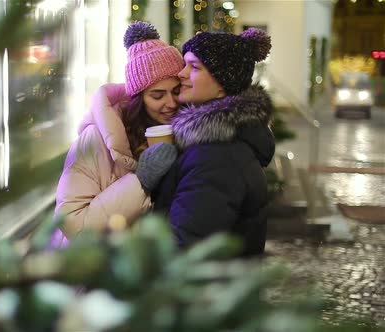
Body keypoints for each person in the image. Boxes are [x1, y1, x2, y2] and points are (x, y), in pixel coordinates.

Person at [51, 21, 185, 247]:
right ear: (138, 98)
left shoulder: (184, 131)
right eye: (157, 95)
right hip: (94, 272)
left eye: (176, 91)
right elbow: (73, 223)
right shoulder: (96, 138)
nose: (170, 103)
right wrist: (140, 182)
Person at [152, 28, 275, 257]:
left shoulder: (216, 156)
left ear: (222, 86)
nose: (182, 73)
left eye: (195, 67)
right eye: (185, 63)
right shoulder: (217, 141)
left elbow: (184, 246)